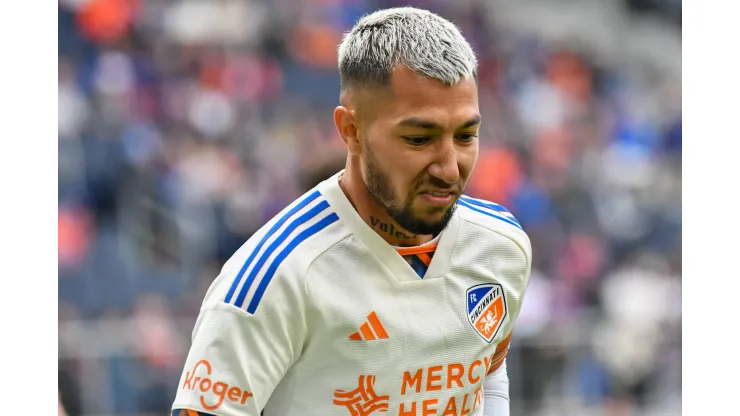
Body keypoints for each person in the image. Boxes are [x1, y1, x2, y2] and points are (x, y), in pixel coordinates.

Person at [171, 7, 532, 416]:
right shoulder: (277, 278)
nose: (450, 167)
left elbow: (487, 370)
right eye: (419, 138)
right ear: (351, 131)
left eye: (466, 135)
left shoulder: (501, 245)